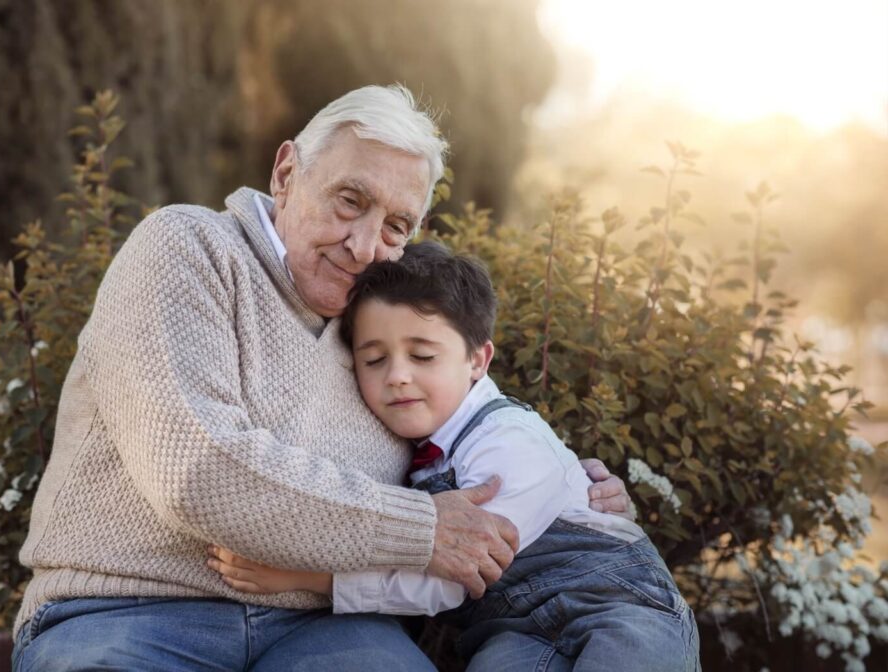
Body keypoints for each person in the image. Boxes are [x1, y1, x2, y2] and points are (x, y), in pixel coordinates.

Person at [11, 84, 634, 671]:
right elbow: (196, 471)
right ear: (286, 174)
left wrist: (577, 495)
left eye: (396, 226)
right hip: (127, 609)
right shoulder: (188, 247)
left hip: (326, 626)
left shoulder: (378, 329)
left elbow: (469, 435)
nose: (365, 246)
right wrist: (421, 529)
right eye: (350, 201)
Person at [208, 242, 700, 671]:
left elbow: (452, 578)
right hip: (514, 631)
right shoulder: (412, 453)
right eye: (374, 359)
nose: (397, 376)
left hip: (620, 609)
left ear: (477, 361)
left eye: (422, 356)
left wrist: (309, 579)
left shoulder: (508, 440)